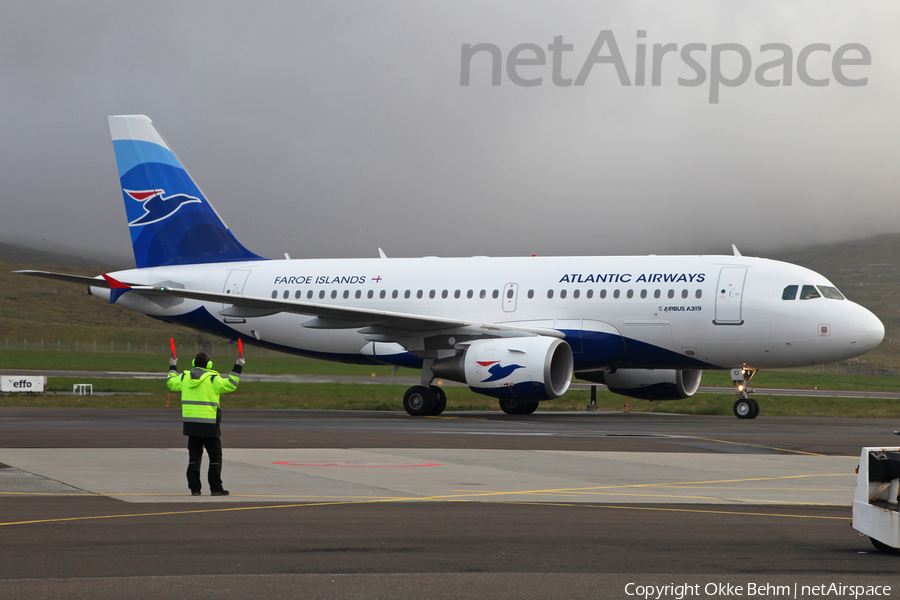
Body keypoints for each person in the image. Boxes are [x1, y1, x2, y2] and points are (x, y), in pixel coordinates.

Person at [167, 351, 245, 496]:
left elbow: (171, 382)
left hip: (191, 425)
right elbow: (231, 384)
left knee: (194, 458)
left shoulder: (184, 377)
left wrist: (173, 364)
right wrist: (238, 366)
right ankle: (216, 488)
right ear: (209, 364)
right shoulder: (212, 379)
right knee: (215, 458)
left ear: (193, 363)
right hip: (209, 425)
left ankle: (194, 489)